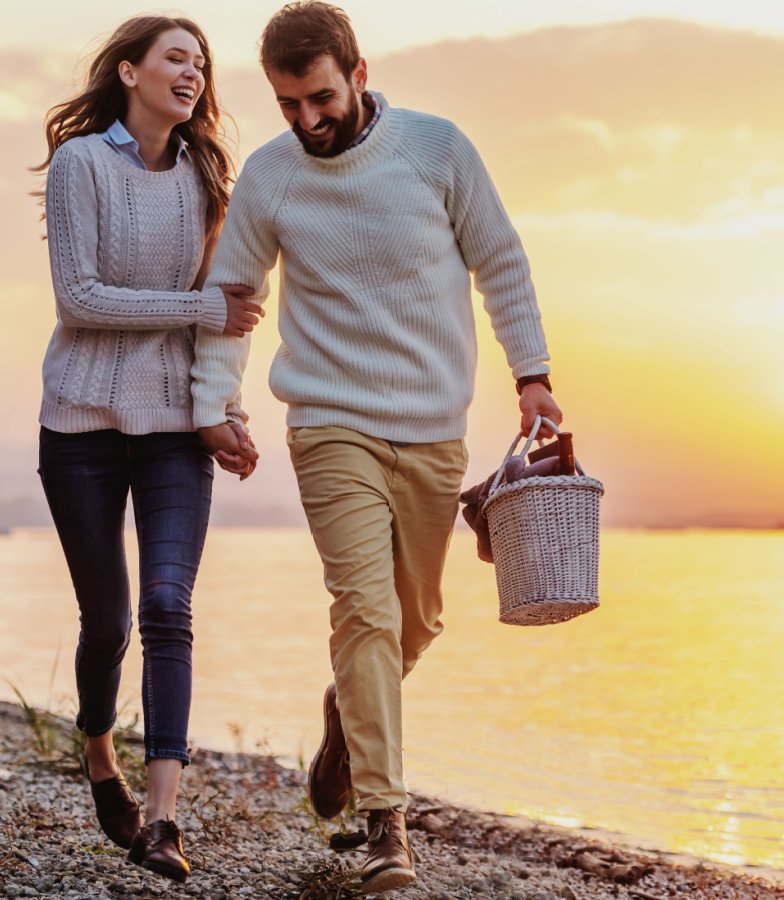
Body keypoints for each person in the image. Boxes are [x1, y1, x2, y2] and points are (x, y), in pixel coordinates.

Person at [191, 2, 563, 892]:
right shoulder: (273, 179)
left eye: (320, 98)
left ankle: (346, 713)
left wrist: (534, 376)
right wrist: (217, 404)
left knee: (416, 620)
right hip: (329, 424)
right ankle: (387, 822)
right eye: (288, 105)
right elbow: (231, 294)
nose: (307, 121)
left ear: (358, 74)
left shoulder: (437, 150)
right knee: (364, 611)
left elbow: (500, 261)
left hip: (434, 428)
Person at [30, 14, 260, 884]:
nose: (193, 71)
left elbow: (231, 313)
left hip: (173, 433)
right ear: (130, 71)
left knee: (168, 606)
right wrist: (202, 311)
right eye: (176, 57)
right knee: (109, 621)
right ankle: (98, 755)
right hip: (80, 426)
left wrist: (224, 410)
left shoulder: (206, 177)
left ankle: (162, 821)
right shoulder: (81, 164)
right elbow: (80, 298)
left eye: (201, 62)